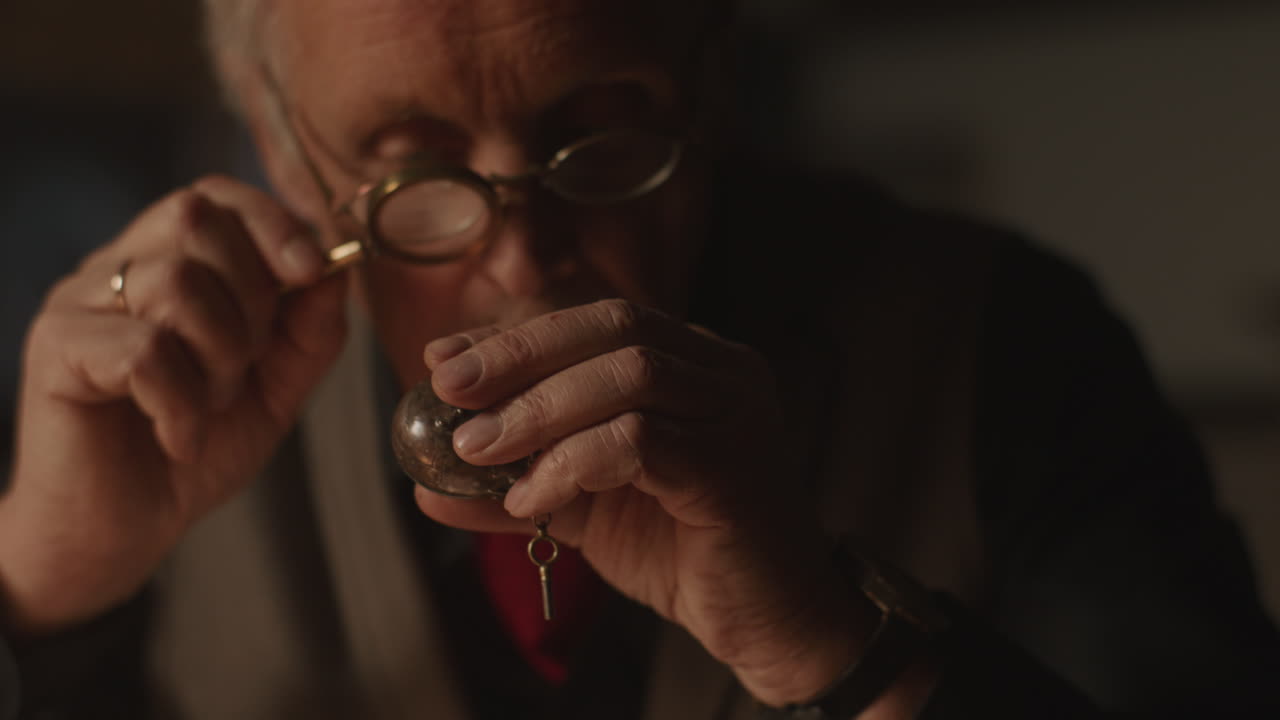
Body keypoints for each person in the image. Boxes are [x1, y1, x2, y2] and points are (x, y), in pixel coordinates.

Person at [1, 1, 1278, 717]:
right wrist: (41, 593)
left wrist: (833, 645)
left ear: (706, 86)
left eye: (601, 139)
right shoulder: (167, 394)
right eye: (409, 160)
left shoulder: (1007, 340)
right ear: (282, 155)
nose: (519, 258)